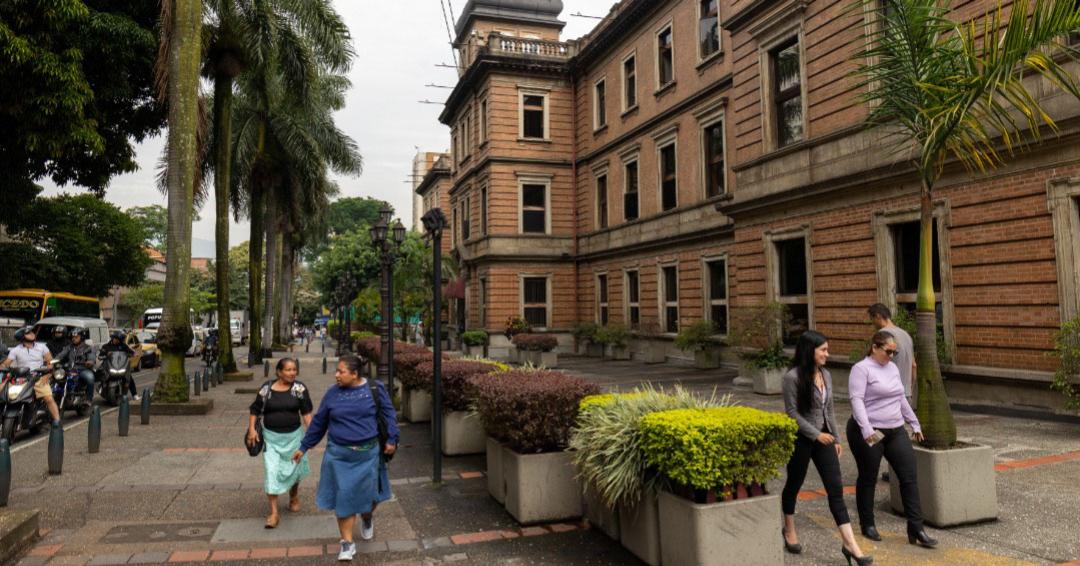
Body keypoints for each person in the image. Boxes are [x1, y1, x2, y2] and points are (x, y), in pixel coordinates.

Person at [292, 355, 398, 562]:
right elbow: (319, 422)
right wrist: (304, 447)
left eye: (341, 371)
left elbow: (389, 414)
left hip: (368, 454)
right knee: (344, 496)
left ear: (355, 374)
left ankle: (367, 516)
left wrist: (392, 439)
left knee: (370, 497)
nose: (336, 375)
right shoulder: (332, 393)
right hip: (338, 455)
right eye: (337, 371)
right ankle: (347, 543)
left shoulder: (374, 390)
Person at [780, 331, 871, 565]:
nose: (827, 355)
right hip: (801, 440)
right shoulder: (792, 377)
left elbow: (828, 409)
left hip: (826, 440)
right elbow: (792, 414)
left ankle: (850, 545)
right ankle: (789, 528)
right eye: (823, 350)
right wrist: (815, 434)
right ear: (810, 351)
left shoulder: (826, 375)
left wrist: (836, 438)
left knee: (836, 490)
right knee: (794, 484)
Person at [847, 331, 937, 548]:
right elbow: (857, 400)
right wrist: (867, 428)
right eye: (888, 351)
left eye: (894, 352)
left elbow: (900, 397)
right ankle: (867, 524)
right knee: (869, 477)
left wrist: (913, 422)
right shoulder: (861, 369)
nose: (891, 355)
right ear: (875, 347)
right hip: (870, 430)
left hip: (895, 430)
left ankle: (916, 528)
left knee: (909, 476)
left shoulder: (893, 368)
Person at [247, 358, 314, 529]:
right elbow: (255, 410)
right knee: (271, 471)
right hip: (271, 439)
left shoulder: (299, 389)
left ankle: (293, 496)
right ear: (278, 372)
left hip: (294, 438)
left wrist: (312, 435)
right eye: (288, 370)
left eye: (294, 370)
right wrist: (252, 430)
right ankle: (274, 513)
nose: (292, 373)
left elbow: (306, 413)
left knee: (295, 470)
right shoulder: (266, 389)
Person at [1, 327, 61, 425]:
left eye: (31, 332)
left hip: (39, 376)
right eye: (28, 333)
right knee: (7, 396)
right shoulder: (16, 350)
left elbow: (50, 361)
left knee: (48, 398)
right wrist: (3, 367)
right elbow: (6, 364)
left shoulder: (42, 347)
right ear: (22, 337)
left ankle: (57, 421)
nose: (32, 334)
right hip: (22, 378)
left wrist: (48, 373)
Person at [56, 328, 96, 401]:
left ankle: (89, 399)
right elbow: (61, 355)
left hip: (82, 369)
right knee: (57, 379)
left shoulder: (88, 348)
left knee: (90, 378)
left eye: (76, 337)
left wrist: (90, 361)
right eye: (73, 337)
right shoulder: (69, 347)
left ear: (82, 337)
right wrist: (53, 360)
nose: (74, 339)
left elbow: (92, 357)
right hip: (70, 370)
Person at [99, 331, 140, 401]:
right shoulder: (106, 346)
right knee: (100, 374)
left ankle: (134, 394)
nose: (116, 340)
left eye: (118, 339)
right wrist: (105, 355)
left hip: (120, 366)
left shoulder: (124, 346)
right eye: (115, 338)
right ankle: (101, 388)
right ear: (112, 338)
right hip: (109, 367)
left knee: (129, 377)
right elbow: (100, 355)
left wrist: (134, 354)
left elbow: (131, 351)